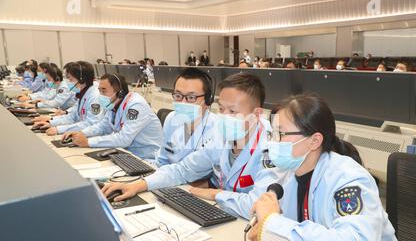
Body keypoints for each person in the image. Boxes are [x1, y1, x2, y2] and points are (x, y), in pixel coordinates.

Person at [244, 94, 414, 241]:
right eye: (271, 134)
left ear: (314, 141)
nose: (271, 143)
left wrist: (272, 225)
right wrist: (270, 235)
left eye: (280, 134)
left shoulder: (349, 179)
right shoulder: (288, 174)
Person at [101, 73, 271, 203]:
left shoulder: (271, 147)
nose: (224, 116)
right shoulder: (222, 137)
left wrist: (216, 194)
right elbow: (182, 169)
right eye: (221, 108)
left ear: (256, 114)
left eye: (232, 111)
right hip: (225, 213)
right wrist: (137, 185)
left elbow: (258, 203)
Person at [62, 73, 162, 160]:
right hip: (127, 154)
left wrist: (88, 142)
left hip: (147, 157)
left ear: (120, 93)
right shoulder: (114, 104)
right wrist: (80, 133)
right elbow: (103, 126)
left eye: (104, 91)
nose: (100, 95)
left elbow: (124, 139)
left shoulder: (136, 106)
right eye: (99, 91)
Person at [156, 68, 217, 166]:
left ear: (207, 100)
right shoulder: (171, 119)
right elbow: (162, 159)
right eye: (178, 95)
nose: (183, 103)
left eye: (191, 97)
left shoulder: (217, 129)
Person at [33, 61, 104, 136]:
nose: (68, 82)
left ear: (81, 79)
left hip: (93, 135)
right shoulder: (83, 93)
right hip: (82, 131)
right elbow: (72, 116)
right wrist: (50, 122)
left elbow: (91, 123)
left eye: (70, 79)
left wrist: (59, 129)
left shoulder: (95, 97)